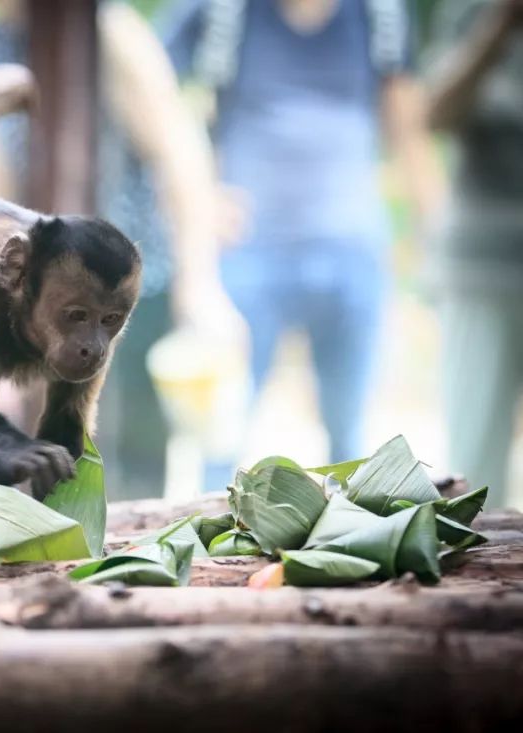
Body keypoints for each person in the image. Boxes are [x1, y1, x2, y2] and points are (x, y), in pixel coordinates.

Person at [0, 0, 227, 516]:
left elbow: (179, 153)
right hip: (38, 292)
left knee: (119, 462)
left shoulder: (107, 29)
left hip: (127, 291)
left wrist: (199, 283)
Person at [161, 0, 442, 472]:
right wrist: (197, 197)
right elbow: (151, 97)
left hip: (354, 258)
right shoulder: (222, 12)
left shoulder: (379, 14)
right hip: (248, 256)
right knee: (221, 450)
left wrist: (434, 242)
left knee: (353, 449)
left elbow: (408, 132)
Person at [426, 0, 523, 509]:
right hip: (484, 264)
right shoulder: (471, 11)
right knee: (476, 474)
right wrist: (500, 26)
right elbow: (434, 112)